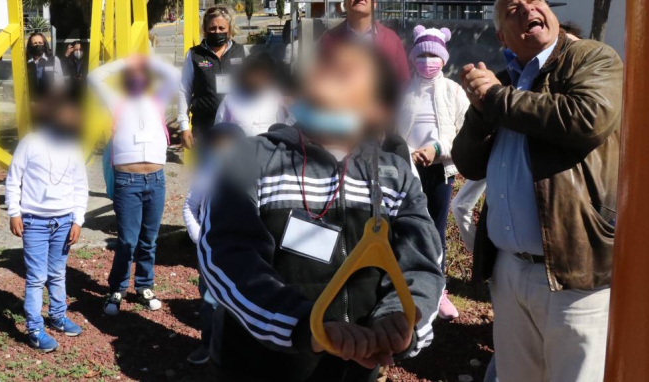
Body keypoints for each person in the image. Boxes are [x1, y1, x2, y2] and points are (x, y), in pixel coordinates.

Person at [198, 39, 444, 382]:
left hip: (353, 371)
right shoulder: (249, 159)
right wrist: (303, 324)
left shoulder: (394, 174)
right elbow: (226, 256)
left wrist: (398, 320)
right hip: (255, 367)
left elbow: (423, 262)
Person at [452, 0, 623, 382]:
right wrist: (480, 110)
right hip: (509, 272)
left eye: (535, 2)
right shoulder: (503, 82)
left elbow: (587, 118)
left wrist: (495, 98)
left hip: (573, 272)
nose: (527, 9)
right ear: (502, 37)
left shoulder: (592, 56)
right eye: (513, 10)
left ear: (550, 14)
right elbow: (468, 163)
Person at [88, 53, 181, 315]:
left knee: (149, 240)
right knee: (127, 241)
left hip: (156, 180)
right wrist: (126, 62)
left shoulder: (158, 100)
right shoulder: (116, 101)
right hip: (127, 181)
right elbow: (94, 77)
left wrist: (147, 60)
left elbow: (174, 75)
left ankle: (144, 285)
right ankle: (117, 288)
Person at [395, 25, 469, 321]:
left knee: (436, 231)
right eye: (422, 54)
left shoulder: (454, 91)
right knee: (404, 228)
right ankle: (402, 289)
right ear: (413, 58)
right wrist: (407, 153)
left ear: (444, 58)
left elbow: (465, 132)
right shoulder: (402, 90)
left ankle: (438, 291)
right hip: (406, 171)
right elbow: (390, 130)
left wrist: (437, 149)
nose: (428, 60)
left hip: (440, 172)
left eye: (434, 55)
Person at [5, 97, 88, 352]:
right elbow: (13, 179)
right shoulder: (30, 143)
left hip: (64, 221)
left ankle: (57, 315)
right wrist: (14, 212)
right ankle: (34, 328)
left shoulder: (73, 146)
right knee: (36, 277)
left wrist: (78, 219)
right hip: (34, 221)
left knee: (58, 272)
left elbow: (80, 186)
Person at [182, 122, 247, 365]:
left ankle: (236, 349)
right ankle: (208, 344)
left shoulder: (251, 174)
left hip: (241, 250)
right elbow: (190, 207)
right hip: (210, 251)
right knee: (210, 301)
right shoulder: (206, 172)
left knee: (242, 300)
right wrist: (200, 238)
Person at [178, 6, 246, 149]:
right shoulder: (194, 55)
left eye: (222, 28)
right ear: (205, 29)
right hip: (204, 128)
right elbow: (184, 91)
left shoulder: (241, 52)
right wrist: (184, 126)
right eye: (212, 28)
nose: (217, 32)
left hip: (236, 127)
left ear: (230, 29)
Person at [318, 0, 410, 85]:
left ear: (374, 4)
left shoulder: (392, 39)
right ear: (345, 2)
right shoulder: (329, 40)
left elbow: (404, 82)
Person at [213, 53, 288, 136]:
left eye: (262, 75)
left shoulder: (276, 99)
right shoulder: (230, 99)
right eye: (253, 73)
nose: (257, 79)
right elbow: (218, 132)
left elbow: (283, 130)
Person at [26, 32, 64, 100]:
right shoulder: (26, 63)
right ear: (30, 46)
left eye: (40, 43)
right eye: (35, 43)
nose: (37, 45)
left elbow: (59, 83)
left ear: (44, 44)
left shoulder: (54, 60)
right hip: (31, 102)